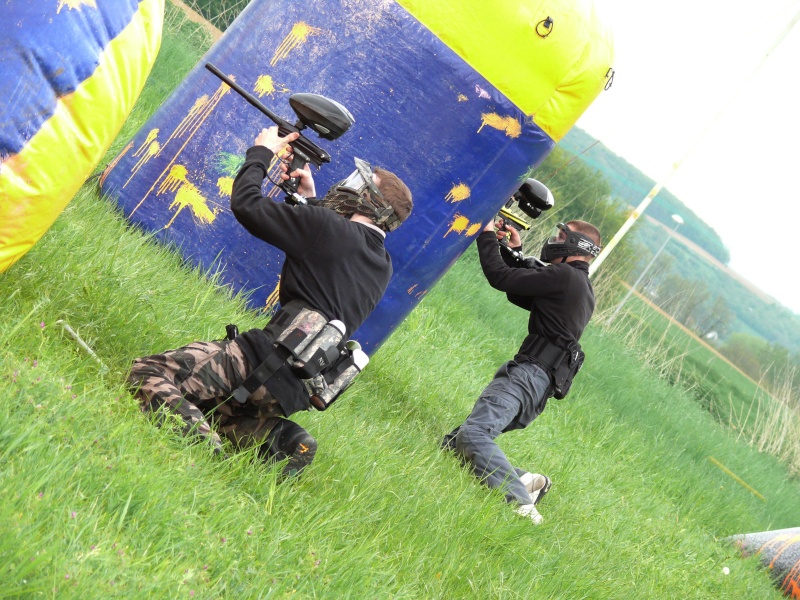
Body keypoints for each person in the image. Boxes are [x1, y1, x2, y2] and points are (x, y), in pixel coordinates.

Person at [127, 125, 413, 477]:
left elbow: (247, 205)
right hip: (291, 388)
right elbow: (331, 255)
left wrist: (262, 152)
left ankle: (205, 449)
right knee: (218, 409)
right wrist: (312, 201)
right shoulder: (382, 266)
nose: (349, 186)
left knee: (148, 374)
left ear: (369, 201)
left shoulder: (329, 229)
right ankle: (282, 438)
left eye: (359, 185)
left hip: (259, 358)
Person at [442, 216, 601, 524]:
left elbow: (499, 278)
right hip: (537, 385)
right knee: (456, 444)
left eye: (560, 235)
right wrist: (511, 249)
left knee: (474, 435)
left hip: (527, 377)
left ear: (574, 244)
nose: (553, 240)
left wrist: (486, 233)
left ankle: (521, 505)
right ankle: (527, 480)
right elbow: (519, 290)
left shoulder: (566, 277)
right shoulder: (579, 285)